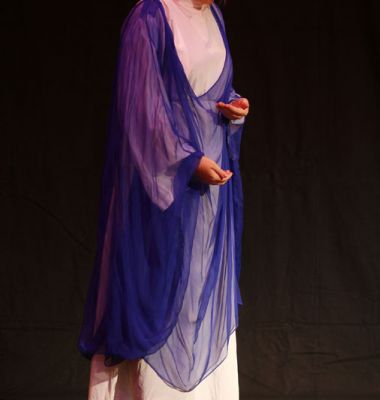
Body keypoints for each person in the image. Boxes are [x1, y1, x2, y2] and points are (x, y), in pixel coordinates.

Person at [77, 0, 250, 398]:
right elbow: (140, 113)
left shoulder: (213, 17)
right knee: (157, 305)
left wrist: (233, 108)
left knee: (198, 307)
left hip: (206, 202)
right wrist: (187, 162)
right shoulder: (150, 18)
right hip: (159, 200)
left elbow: (208, 93)